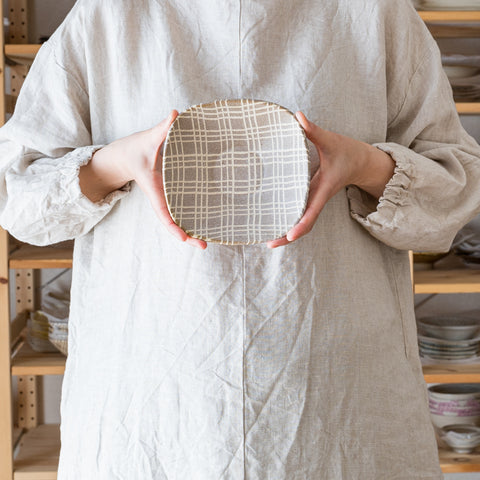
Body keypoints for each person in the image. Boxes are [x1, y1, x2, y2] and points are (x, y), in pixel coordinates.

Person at [1, 0, 479, 478]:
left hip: (335, 394)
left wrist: (364, 164)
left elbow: (453, 198)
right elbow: (19, 197)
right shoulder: (109, 15)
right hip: (154, 398)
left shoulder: (375, 14)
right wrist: (117, 162)